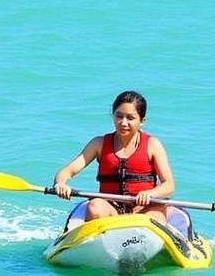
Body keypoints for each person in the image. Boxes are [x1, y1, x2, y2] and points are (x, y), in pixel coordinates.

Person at [52, 91, 174, 224]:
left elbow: (169, 185)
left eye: (130, 118)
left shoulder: (153, 145)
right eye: (119, 116)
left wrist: (150, 194)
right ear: (113, 116)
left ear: (142, 121)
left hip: (145, 209)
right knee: (95, 207)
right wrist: (61, 184)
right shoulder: (98, 144)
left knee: (155, 218)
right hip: (112, 209)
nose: (123, 123)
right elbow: (67, 171)